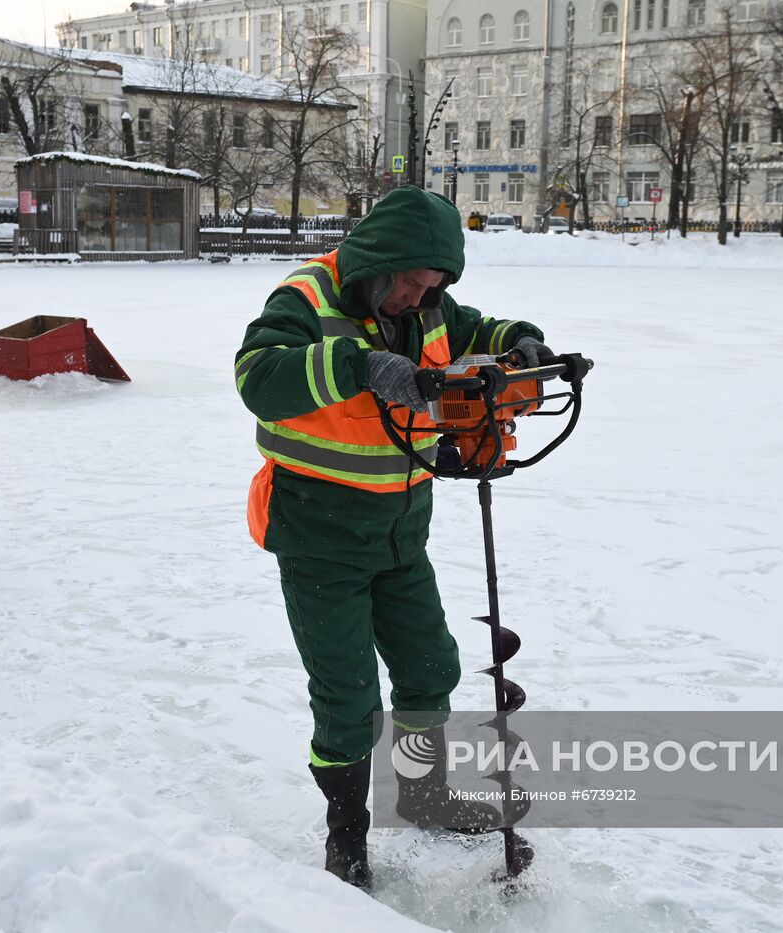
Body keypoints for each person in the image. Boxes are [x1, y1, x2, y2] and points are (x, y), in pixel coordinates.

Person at [234, 187, 553, 888]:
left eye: (434, 284)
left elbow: (479, 330)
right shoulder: (307, 299)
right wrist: (360, 367)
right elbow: (257, 378)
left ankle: (424, 793)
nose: (420, 296)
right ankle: (345, 836)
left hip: (402, 533)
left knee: (430, 666)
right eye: (410, 281)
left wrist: (520, 340)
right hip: (319, 536)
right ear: (379, 261)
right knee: (347, 698)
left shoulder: (429, 305)